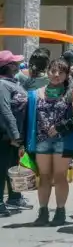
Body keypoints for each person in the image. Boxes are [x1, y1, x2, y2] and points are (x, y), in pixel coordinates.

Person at [28, 58, 73, 226]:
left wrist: (60, 128)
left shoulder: (71, 94)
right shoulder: (36, 93)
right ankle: (43, 211)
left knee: (60, 176)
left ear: (66, 74)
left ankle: (60, 211)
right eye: (53, 71)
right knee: (44, 176)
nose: (56, 75)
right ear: (47, 71)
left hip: (63, 141)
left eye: (61, 72)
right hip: (41, 141)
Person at [0, 50, 27, 217]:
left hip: (14, 135)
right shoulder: (2, 85)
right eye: (15, 63)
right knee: (1, 169)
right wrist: (14, 134)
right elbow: (5, 110)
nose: (18, 65)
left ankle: (14, 197)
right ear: (8, 66)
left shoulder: (14, 82)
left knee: (12, 166)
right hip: (4, 135)